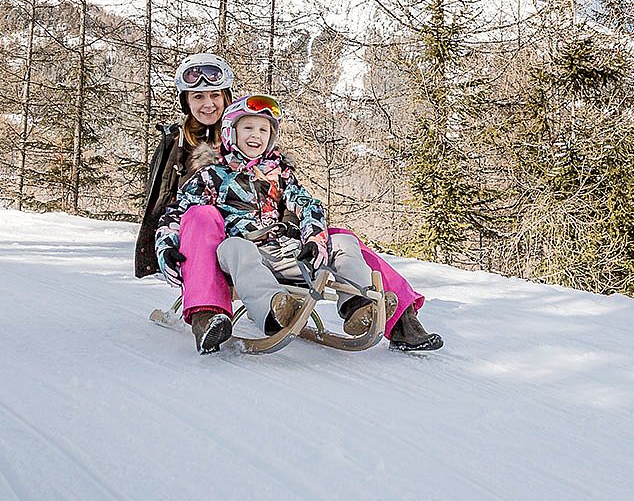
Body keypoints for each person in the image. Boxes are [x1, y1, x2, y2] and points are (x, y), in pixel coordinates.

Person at [134, 53, 442, 353]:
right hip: (210, 242)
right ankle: (208, 315)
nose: (207, 103)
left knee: (342, 241)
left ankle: (390, 314)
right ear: (186, 101)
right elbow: (168, 206)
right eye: (197, 97)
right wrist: (166, 244)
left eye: (214, 94)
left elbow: (299, 200)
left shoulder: (263, 147)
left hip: (275, 236)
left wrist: (307, 233)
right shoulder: (179, 145)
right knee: (203, 217)